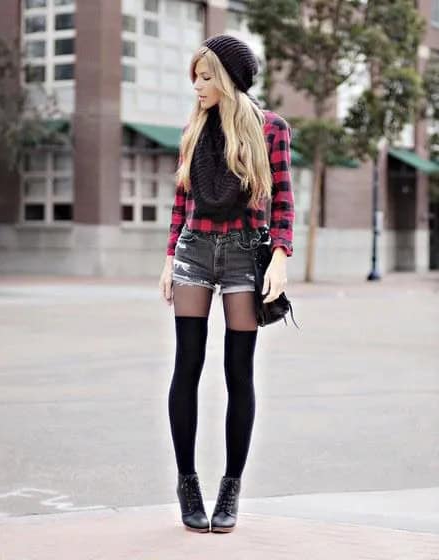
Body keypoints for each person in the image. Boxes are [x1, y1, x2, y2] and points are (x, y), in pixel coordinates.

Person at [158, 33, 294, 534]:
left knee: (240, 372)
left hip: (244, 254)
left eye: (207, 75)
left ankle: (230, 486)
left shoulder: (271, 129)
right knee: (187, 365)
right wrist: (169, 255)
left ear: (231, 79)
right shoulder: (194, 127)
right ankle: (187, 481)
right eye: (195, 75)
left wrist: (280, 256)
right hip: (194, 249)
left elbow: (281, 199)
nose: (197, 84)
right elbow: (181, 199)